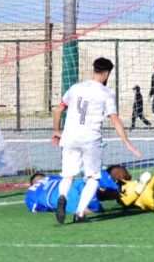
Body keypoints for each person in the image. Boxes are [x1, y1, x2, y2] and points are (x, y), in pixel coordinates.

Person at [51, 57, 141, 225]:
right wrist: (128, 144)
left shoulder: (75, 87)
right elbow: (115, 119)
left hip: (69, 138)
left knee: (68, 176)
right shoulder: (105, 93)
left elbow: (58, 109)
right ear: (107, 74)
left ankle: (62, 196)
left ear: (94, 70)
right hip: (90, 140)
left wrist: (56, 131)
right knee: (93, 178)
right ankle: (79, 213)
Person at [25, 165, 126, 214]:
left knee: (87, 209)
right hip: (77, 185)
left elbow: (37, 209)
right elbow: (67, 180)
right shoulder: (51, 177)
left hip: (62, 197)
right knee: (94, 188)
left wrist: (49, 209)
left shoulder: (29, 195)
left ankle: (115, 193)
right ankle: (120, 192)